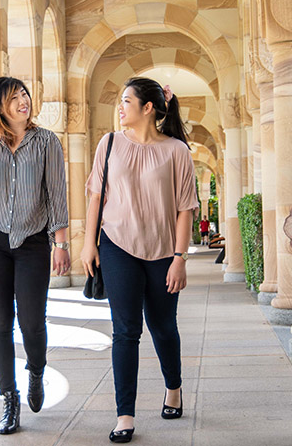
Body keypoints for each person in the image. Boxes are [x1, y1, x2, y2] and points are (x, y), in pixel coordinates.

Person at [81, 77, 198, 443]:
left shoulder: (177, 151)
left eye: (126, 101)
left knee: (163, 326)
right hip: (117, 245)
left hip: (164, 251)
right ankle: (125, 415)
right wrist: (89, 243)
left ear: (147, 108)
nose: (120, 107)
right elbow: (96, 197)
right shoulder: (109, 143)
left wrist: (180, 257)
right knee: (125, 331)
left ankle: (174, 388)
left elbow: (185, 210)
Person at [0, 77, 70, 435]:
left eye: (24, 94)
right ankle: (9, 398)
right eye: (14, 97)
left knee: (33, 322)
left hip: (33, 243)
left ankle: (36, 369)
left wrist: (61, 244)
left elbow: (56, 196)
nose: (23, 100)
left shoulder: (47, 142)